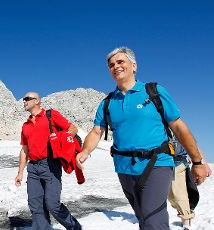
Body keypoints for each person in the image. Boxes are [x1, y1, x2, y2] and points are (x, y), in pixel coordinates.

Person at [75, 47, 208, 230]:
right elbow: (97, 131)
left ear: (134, 65)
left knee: (153, 221)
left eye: (120, 62)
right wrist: (85, 151)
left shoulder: (154, 92)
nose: (116, 66)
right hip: (124, 168)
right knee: (144, 218)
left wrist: (198, 161)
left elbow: (178, 127)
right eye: (111, 65)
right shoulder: (107, 102)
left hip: (157, 163)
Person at [15, 92, 82, 230]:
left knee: (53, 204)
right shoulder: (25, 125)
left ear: (37, 101)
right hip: (33, 168)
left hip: (50, 165)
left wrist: (61, 140)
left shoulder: (50, 115)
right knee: (35, 204)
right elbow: (24, 150)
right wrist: (20, 173)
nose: (24, 101)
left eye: (27, 99)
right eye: (23, 99)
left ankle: (75, 227)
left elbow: (72, 128)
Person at [168, 140, 212, 230]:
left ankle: (186, 224)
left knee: (178, 194)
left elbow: (192, 144)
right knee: (171, 195)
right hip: (159, 161)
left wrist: (203, 164)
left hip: (178, 162)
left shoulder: (177, 127)